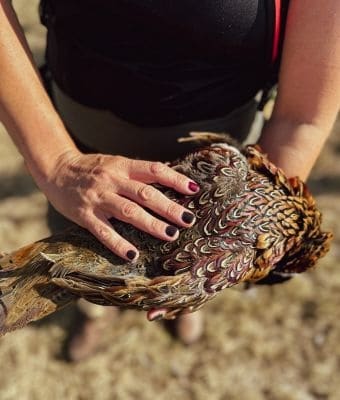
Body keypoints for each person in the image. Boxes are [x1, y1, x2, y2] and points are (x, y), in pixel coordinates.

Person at [0, 0, 339, 361]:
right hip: (77, 130)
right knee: (83, 239)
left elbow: (302, 117)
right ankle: (94, 310)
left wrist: (233, 246)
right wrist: (57, 161)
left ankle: (191, 308)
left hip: (221, 146)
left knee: (193, 250)